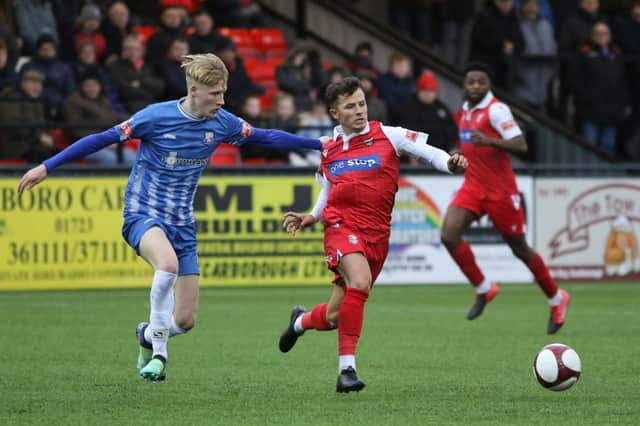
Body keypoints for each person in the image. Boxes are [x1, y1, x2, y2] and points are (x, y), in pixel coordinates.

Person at [17, 53, 327, 382]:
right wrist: (47, 166)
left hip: (182, 224)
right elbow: (101, 139)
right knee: (167, 265)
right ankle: (160, 356)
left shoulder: (223, 122)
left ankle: (147, 334)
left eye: (224, 93)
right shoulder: (155, 117)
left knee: (186, 320)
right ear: (193, 89)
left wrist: (319, 144)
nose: (222, 101)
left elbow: (266, 136)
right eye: (215, 94)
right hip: (142, 213)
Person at [277, 76, 468, 393]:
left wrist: (450, 163)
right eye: (350, 106)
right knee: (360, 283)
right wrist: (312, 216)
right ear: (335, 113)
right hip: (340, 226)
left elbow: (428, 152)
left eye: (362, 103)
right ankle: (346, 370)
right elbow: (328, 189)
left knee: (337, 315)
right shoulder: (329, 147)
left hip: (377, 234)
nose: (359, 111)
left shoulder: (388, 135)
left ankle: (299, 321)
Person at [440, 63, 570, 335]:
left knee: (520, 249)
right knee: (449, 235)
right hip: (473, 186)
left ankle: (557, 298)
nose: (475, 86)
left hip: (501, 191)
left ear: (489, 85)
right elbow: (464, 142)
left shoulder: (497, 110)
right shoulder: (464, 110)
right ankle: (484, 288)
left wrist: (489, 141)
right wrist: (455, 152)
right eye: (471, 81)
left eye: (481, 81)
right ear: (464, 85)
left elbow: (521, 144)